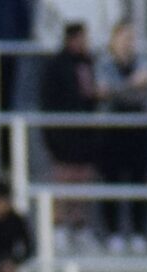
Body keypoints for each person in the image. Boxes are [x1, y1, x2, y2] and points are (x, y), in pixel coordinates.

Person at [94, 20, 147, 250]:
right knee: (111, 178)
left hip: (138, 129)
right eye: (123, 37)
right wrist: (130, 86)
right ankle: (112, 232)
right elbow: (103, 91)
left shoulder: (142, 60)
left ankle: (138, 231)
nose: (127, 43)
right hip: (112, 129)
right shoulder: (105, 63)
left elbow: (143, 93)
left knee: (139, 179)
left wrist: (118, 89)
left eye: (131, 38)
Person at [37, 23, 100, 238]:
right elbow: (48, 101)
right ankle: (59, 226)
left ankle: (80, 224)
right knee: (64, 179)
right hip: (63, 134)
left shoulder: (88, 63)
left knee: (83, 180)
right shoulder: (55, 66)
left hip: (85, 134)